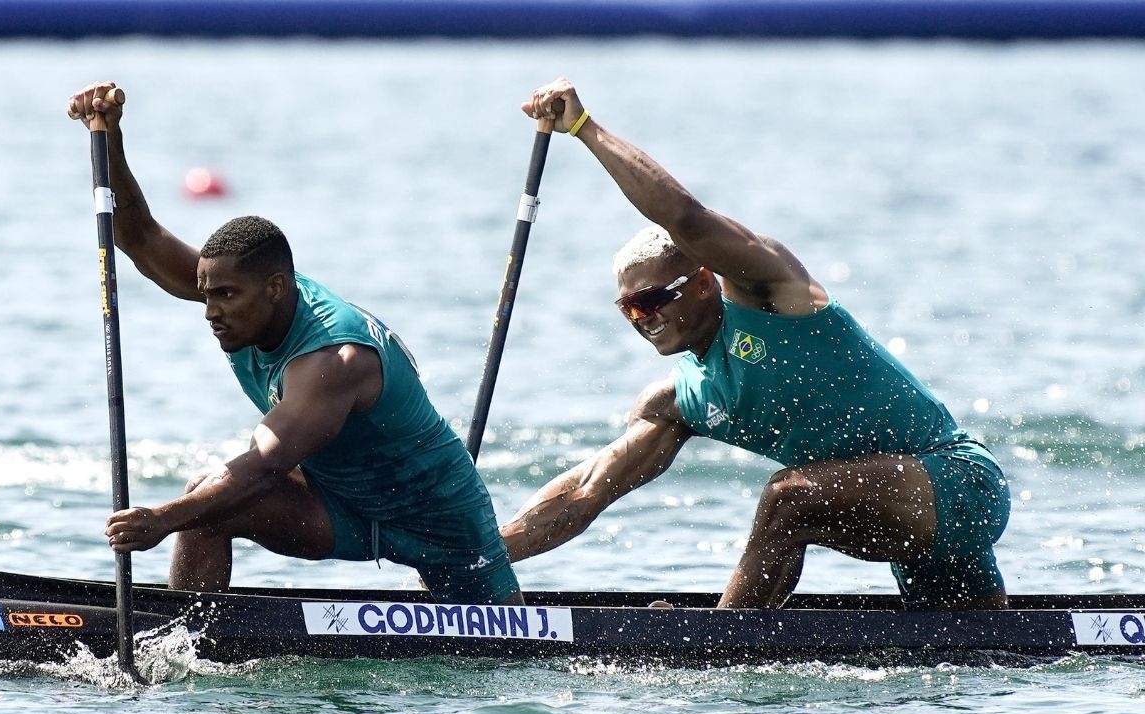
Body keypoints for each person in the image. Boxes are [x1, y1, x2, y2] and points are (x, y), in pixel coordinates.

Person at [500, 77, 1009, 610]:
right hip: (892, 512)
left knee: (787, 498)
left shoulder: (771, 293)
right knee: (980, 652)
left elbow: (686, 218)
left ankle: (722, 647)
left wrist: (583, 129)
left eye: (650, 300)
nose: (640, 319)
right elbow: (585, 494)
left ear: (702, 282)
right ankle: (737, 637)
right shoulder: (676, 402)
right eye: (627, 307)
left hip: (957, 482)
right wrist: (477, 558)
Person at [66, 81, 522, 605]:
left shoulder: (334, 358)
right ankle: (181, 646)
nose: (212, 311)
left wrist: (158, 520)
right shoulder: (248, 301)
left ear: (276, 288)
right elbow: (141, 235)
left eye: (226, 296)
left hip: (441, 522)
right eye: (206, 295)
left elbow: (264, 467)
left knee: (503, 651)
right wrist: (109, 137)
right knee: (207, 506)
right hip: (342, 505)